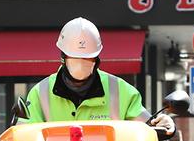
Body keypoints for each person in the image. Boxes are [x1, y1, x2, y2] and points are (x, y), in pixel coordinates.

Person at [23, 17, 175, 134]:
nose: (81, 62)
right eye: (74, 57)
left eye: (87, 57)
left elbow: (146, 128)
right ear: (63, 57)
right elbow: (23, 136)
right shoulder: (40, 93)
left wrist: (161, 123)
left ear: (96, 59)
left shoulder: (121, 91)